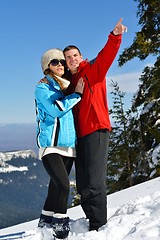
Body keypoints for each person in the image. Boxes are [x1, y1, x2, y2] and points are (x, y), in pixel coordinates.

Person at [62, 18, 127, 231]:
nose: (71, 59)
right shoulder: (69, 84)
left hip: (97, 130)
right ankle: (91, 219)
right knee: (82, 182)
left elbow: (107, 55)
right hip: (80, 135)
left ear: (80, 57)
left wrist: (115, 35)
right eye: (67, 57)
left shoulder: (92, 70)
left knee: (95, 180)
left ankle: (99, 226)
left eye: (74, 56)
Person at [34, 48, 84, 239]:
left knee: (55, 187)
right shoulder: (42, 88)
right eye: (55, 62)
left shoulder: (65, 86)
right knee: (63, 185)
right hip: (51, 145)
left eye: (62, 61)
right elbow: (56, 110)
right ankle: (60, 229)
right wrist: (76, 95)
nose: (61, 64)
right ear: (47, 67)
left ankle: (44, 223)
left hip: (68, 146)